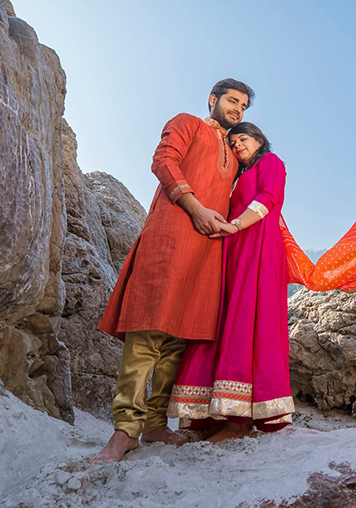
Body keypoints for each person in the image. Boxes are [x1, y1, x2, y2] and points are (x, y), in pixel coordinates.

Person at [89, 78, 254, 463]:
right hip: (171, 233)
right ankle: (124, 430)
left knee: (180, 338)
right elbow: (163, 161)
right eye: (232, 101)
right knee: (147, 329)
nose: (238, 110)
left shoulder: (235, 154)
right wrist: (195, 209)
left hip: (207, 249)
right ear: (213, 99)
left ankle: (154, 423)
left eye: (244, 106)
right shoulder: (187, 123)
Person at [167, 122, 293, 442]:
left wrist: (236, 226)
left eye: (243, 139)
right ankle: (218, 415)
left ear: (259, 140)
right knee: (224, 322)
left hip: (259, 249)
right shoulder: (239, 176)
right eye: (233, 143)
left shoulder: (271, 162)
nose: (238, 146)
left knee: (249, 323)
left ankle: (239, 422)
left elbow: (269, 197)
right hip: (235, 251)